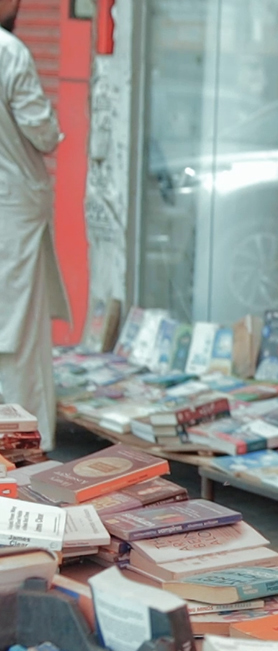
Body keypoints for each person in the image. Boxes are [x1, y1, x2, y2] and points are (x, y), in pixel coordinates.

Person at [0, 0, 70, 452]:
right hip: (12, 207)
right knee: (20, 333)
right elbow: (43, 132)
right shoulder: (10, 52)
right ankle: (26, 442)